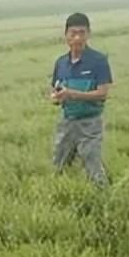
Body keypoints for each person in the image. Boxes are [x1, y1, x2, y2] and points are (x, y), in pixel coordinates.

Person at [49, 12, 113, 186]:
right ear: (66, 36)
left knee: (92, 163)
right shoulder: (61, 63)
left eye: (82, 33)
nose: (77, 38)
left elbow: (102, 93)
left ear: (89, 34)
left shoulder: (98, 61)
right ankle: (59, 194)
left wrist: (71, 94)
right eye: (73, 33)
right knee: (59, 163)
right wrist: (57, 97)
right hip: (67, 121)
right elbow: (54, 92)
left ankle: (104, 198)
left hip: (90, 123)